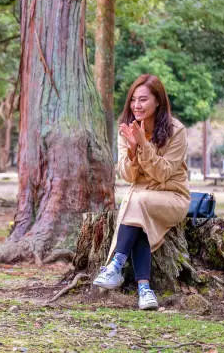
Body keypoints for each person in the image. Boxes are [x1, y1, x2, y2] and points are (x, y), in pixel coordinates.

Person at [93, 74, 190, 310]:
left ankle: (116, 264)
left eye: (143, 99)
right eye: (134, 99)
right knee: (139, 209)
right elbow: (128, 176)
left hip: (172, 196)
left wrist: (143, 145)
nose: (137, 105)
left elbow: (164, 174)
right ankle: (145, 290)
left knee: (137, 201)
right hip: (142, 199)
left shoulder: (176, 131)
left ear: (158, 101)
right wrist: (133, 148)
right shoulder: (127, 129)